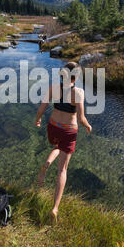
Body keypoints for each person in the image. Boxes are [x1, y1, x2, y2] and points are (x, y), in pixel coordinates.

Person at [34, 62, 92, 223]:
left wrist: (38, 120)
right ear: (76, 76)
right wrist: (88, 126)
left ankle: (46, 164)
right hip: (68, 130)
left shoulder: (53, 87)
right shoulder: (78, 92)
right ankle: (55, 207)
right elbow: (81, 119)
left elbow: (41, 108)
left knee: (57, 146)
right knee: (62, 170)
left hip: (53, 126)